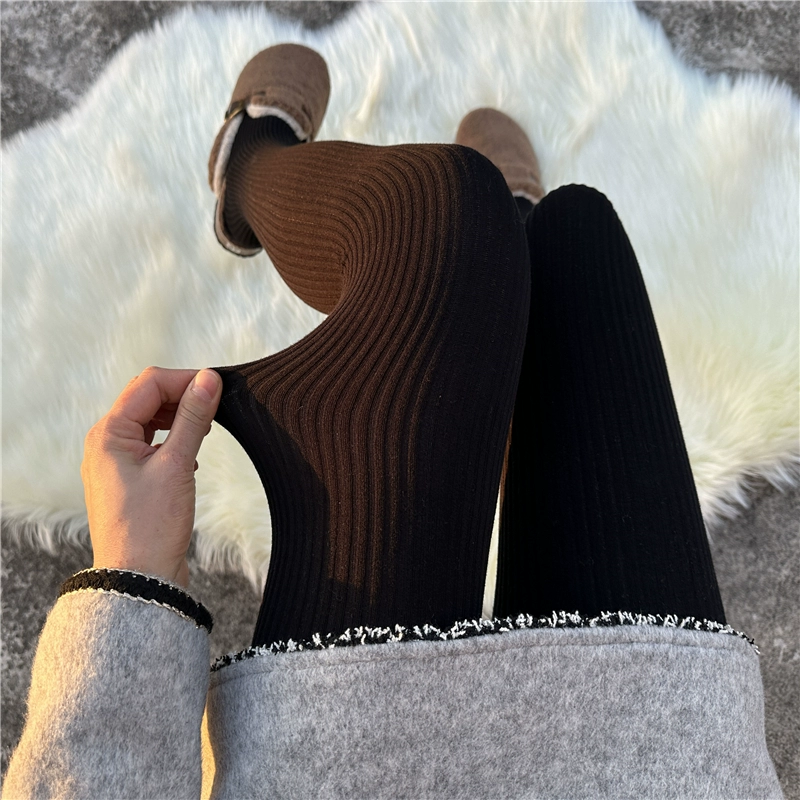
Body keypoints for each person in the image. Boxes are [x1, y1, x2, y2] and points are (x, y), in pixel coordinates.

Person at [3, 44, 783, 799]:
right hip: (666, 753)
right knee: (578, 238)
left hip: (360, 762)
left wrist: (134, 582)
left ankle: (250, 166)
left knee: (443, 211)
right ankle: (518, 263)